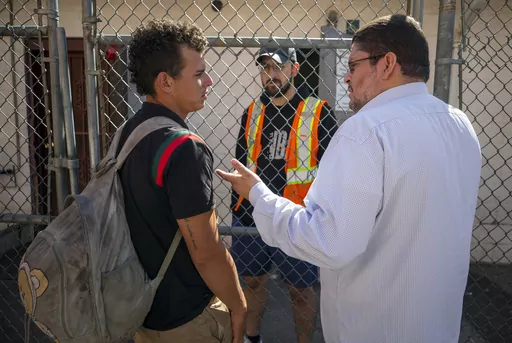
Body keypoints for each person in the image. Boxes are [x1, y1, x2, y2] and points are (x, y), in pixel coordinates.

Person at [217, 14, 482, 343]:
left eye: (353, 65)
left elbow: (328, 242)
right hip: (436, 325)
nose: (346, 78)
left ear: (386, 64)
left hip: (372, 327)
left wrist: (258, 195)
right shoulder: (459, 125)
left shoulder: (366, 130)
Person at [119, 19, 247, 343]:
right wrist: (239, 306)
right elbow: (207, 252)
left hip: (139, 311)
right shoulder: (183, 147)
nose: (209, 80)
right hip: (187, 320)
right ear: (166, 81)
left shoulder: (126, 136)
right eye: (199, 73)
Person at [229, 47, 338, 343]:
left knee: (300, 290)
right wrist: (237, 208)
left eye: (277, 67)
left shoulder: (318, 111)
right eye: (264, 68)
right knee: (251, 282)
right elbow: (242, 163)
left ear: (294, 69)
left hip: (296, 215)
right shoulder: (252, 112)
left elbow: (332, 171)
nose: (270, 74)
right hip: (251, 215)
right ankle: (252, 338)